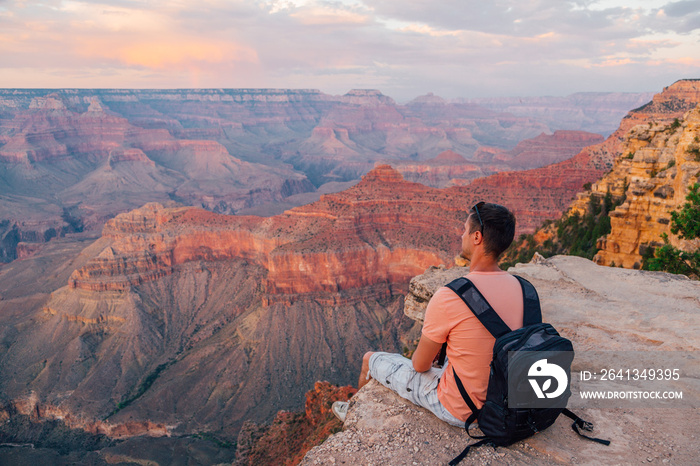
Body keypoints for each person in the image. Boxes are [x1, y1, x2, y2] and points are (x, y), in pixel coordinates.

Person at [332, 202, 524, 427]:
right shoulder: (523, 289)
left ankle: (354, 415)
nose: (461, 235)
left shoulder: (452, 295)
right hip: (505, 404)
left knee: (369, 358)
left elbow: (420, 365)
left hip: (463, 410)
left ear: (477, 237)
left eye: (465, 230)